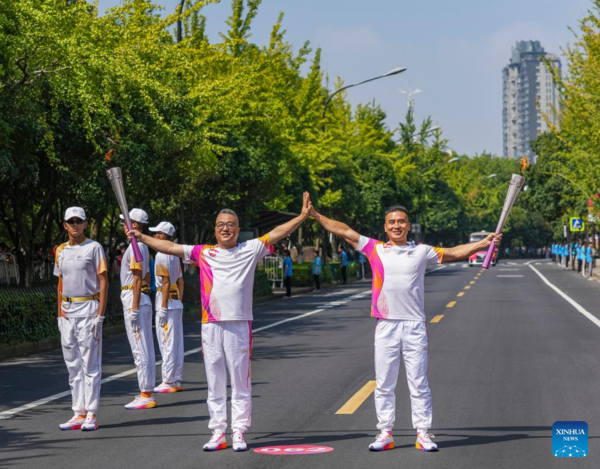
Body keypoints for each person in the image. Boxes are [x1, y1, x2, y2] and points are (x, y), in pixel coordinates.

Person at [309, 201, 501, 453]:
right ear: (385, 227)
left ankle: (423, 433)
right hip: (386, 325)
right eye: (392, 222)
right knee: (384, 383)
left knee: (418, 382)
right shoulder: (375, 249)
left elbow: (455, 252)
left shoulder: (421, 252)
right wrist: (315, 215)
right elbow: (344, 231)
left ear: (409, 226)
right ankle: (385, 433)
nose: (397, 225)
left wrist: (482, 244)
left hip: (414, 326)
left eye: (401, 221)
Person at [128, 193, 311, 452]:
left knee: (240, 380)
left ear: (238, 229)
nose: (225, 228)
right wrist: (141, 237)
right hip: (210, 324)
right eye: (221, 225)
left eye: (230, 225)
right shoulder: (204, 253)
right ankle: (218, 432)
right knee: (214, 379)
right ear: (215, 230)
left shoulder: (250, 249)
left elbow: (277, 232)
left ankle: (238, 431)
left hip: (238, 324)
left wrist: (302, 216)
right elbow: (170, 248)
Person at [55, 207, 108, 431]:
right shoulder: (60, 250)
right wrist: (59, 314)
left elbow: (103, 281)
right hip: (67, 310)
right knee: (73, 364)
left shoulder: (94, 248)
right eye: (71, 221)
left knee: (90, 364)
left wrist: (100, 315)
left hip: (88, 308)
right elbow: (60, 283)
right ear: (65, 225)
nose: (75, 224)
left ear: (85, 224)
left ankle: (92, 413)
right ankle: (78, 412)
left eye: (79, 221)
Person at [120, 208, 157, 410]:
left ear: (134, 225)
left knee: (139, 347)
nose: (124, 227)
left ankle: (145, 394)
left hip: (134, 298)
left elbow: (136, 277)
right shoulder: (141, 246)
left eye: (126, 223)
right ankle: (146, 391)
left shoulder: (137, 245)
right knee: (145, 347)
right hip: (140, 298)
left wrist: (133, 306)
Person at [150, 221, 185, 393]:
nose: (154, 236)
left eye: (156, 233)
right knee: (176, 342)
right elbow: (180, 280)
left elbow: (164, 282)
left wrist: (163, 306)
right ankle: (176, 379)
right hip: (175, 301)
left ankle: (168, 380)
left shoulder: (161, 255)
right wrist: (179, 299)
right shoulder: (175, 254)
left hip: (165, 301)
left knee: (167, 342)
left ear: (162, 236)